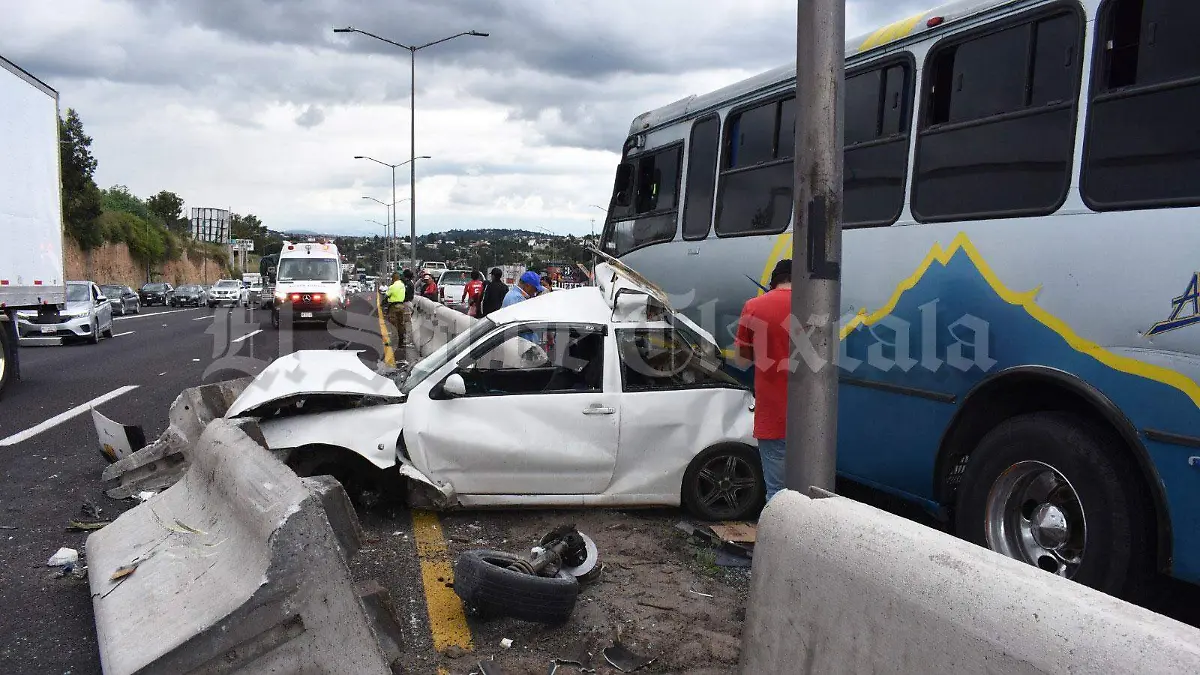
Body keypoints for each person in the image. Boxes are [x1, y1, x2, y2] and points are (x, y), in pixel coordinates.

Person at [734, 259, 793, 503]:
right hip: (814, 422)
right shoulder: (818, 305)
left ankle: (779, 540)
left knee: (777, 493)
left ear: (773, 281)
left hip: (774, 416)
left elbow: (741, 361)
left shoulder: (754, 306)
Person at [385, 272, 408, 355]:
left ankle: (394, 342)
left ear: (393, 278)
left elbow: (387, 295)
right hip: (402, 306)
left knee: (393, 325)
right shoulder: (402, 286)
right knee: (401, 324)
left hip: (393, 307)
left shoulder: (392, 286)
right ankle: (401, 342)